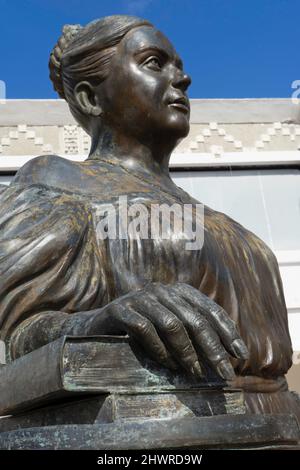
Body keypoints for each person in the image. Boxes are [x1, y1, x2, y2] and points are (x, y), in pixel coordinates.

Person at [0, 15, 298, 419]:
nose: (183, 78)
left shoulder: (221, 222)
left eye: (179, 65)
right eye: (155, 63)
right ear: (90, 98)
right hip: (159, 432)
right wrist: (99, 320)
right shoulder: (58, 180)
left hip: (273, 425)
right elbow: (25, 337)